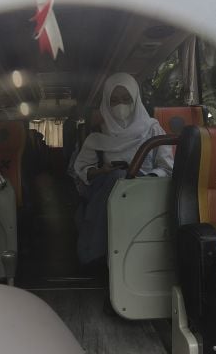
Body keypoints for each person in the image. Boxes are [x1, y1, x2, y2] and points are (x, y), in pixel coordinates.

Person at [73, 73, 173, 266]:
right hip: (107, 191)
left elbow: (167, 168)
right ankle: (97, 254)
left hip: (147, 191)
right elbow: (83, 170)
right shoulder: (97, 135)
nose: (120, 105)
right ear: (106, 103)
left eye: (126, 99)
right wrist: (103, 171)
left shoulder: (153, 129)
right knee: (116, 177)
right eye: (115, 100)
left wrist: (144, 180)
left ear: (135, 99)